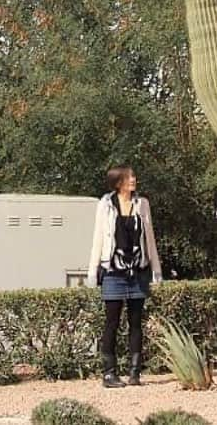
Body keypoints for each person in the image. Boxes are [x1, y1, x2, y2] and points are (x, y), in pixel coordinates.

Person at [87, 165, 162, 388]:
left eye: (133, 176)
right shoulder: (106, 204)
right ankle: (109, 373)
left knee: (136, 323)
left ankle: (135, 372)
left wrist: (156, 270)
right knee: (112, 322)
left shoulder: (143, 204)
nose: (133, 180)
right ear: (118, 182)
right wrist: (92, 270)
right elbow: (98, 237)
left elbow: (150, 238)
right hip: (113, 271)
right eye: (129, 177)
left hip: (138, 270)